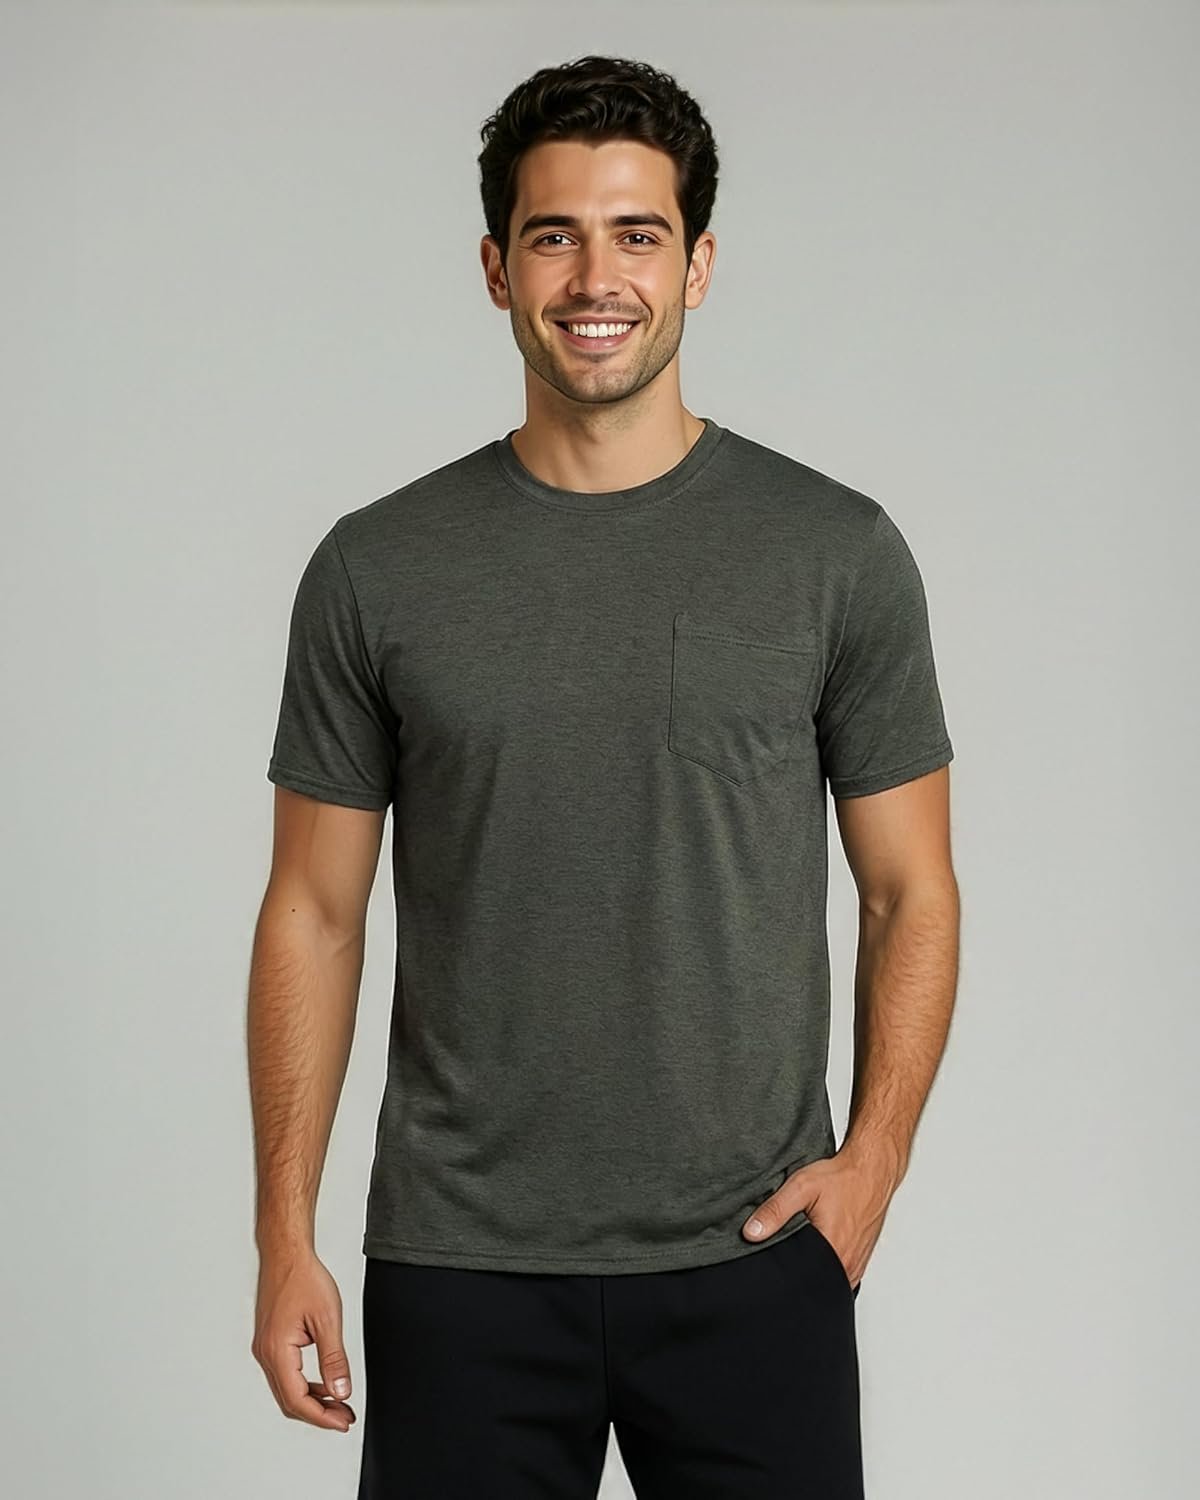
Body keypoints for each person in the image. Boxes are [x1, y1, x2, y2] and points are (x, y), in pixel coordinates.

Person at [248, 52, 959, 1499]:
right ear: (495, 268)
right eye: (553, 235)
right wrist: (283, 1235)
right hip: (462, 1264)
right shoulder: (378, 569)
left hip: (755, 1253)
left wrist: (874, 1163)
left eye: (637, 233)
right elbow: (312, 913)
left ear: (698, 265)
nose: (595, 278)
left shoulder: (836, 555)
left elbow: (912, 891)